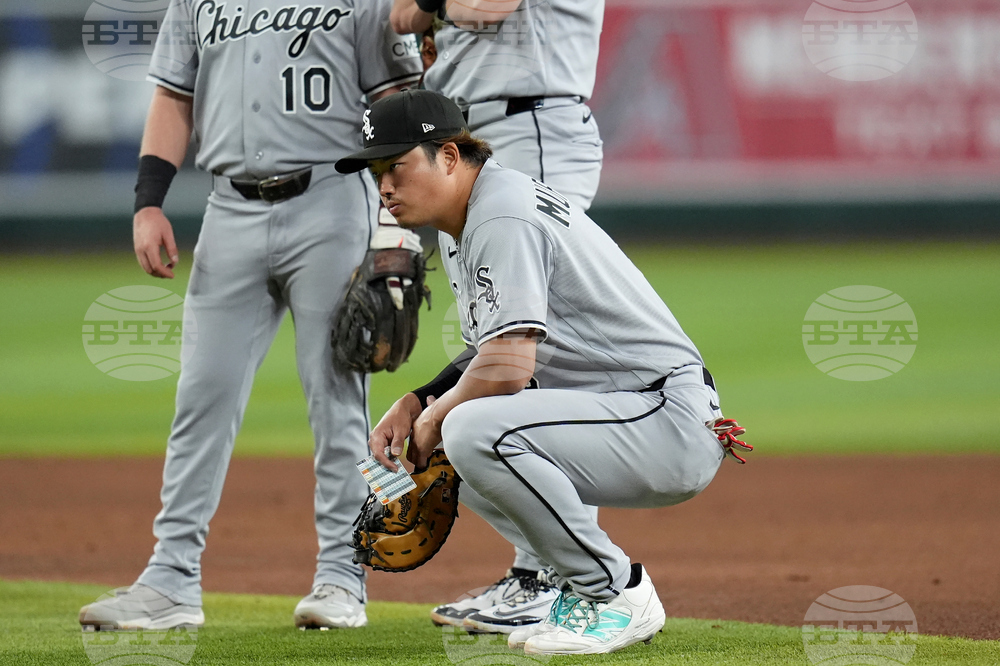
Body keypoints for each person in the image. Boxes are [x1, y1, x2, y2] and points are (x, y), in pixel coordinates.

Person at [335, 90, 748, 655]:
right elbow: (497, 347)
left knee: (469, 428)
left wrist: (437, 414)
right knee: (458, 427)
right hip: (622, 413)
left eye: (396, 166)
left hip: (663, 419)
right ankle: (574, 591)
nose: (383, 186)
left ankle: (615, 594)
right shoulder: (473, 214)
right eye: (376, 171)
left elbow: (508, 367)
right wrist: (416, 400)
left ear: (449, 157)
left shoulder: (501, 213)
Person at [78, 1, 422, 631]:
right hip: (228, 209)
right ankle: (171, 580)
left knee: (338, 398)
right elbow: (172, 95)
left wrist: (396, 225)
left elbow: (397, 100)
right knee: (199, 397)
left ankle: (344, 577)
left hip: (332, 200)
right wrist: (147, 204)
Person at [389, 0, 607, 632]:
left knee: (531, 343)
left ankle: (556, 573)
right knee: (493, 335)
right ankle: (546, 568)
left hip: (531, 120)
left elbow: (485, 6)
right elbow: (398, 17)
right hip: (461, 139)